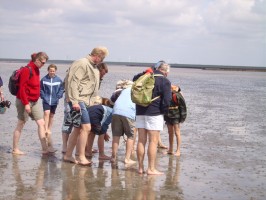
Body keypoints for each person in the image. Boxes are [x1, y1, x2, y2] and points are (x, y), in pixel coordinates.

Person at [63, 46, 109, 165]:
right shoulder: (82, 63)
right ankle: (82, 156)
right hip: (78, 100)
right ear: (97, 55)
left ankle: (68, 155)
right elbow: (73, 82)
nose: (102, 61)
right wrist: (74, 102)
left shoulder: (93, 67)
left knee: (78, 128)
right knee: (87, 128)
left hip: (86, 102)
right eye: (102, 58)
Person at [133, 61, 172, 175]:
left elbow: (134, 79)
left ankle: (140, 168)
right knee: (153, 142)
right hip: (155, 113)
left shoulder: (145, 76)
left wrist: (145, 71)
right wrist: (164, 113)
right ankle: (151, 169)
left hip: (140, 111)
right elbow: (166, 101)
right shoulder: (164, 81)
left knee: (141, 140)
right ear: (165, 71)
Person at [12, 52, 54, 155]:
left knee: (41, 123)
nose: (44, 65)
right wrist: (26, 104)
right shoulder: (27, 70)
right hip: (23, 101)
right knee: (21, 123)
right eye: (43, 63)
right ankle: (15, 149)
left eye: (45, 63)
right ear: (37, 61)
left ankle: (45, 149)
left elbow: (34, 55)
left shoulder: (36, 69)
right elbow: (22, 88)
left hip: (35, 102)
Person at [110, 82, 137, 164]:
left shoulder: (123, 90)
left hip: (116, 111)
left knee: (116, 135)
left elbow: (112, 101)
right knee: (130, 136)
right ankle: (127, 159)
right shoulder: (136, 90)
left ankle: (113, 158)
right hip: (128, 112)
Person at [40, 64, 64, 151]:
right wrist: (42, 96)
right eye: (50, 70)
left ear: (55, 71)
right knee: (46, 113)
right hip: (46, 100)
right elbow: (41, 89)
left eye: (53, 71)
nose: (52, 72)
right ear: (48, 71)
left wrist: (59, 96)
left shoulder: (58, 80)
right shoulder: (44, 79)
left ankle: (49, 129)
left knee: (52, 115)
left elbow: (61, 89)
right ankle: (45, 129)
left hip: (54, 100)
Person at [164, 85, 183, 156]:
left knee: (177, 133)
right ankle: (170, 150)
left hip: (176, 116)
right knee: (170, 133)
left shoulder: (177, 95)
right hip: (168, 115)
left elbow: (183, 107)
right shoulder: (166, 95)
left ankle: (178, 150)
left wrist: (182, 118)